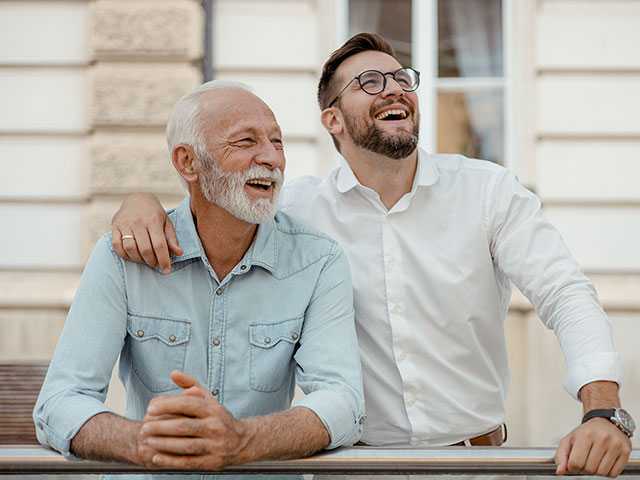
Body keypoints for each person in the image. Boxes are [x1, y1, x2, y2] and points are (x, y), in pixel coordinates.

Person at [111, 34, 634, 477]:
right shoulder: (294, 210)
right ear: (333, 121)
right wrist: (138, 203)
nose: (396, 90)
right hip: (351, 467)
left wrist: (603, 410)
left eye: (403, 78)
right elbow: (209, 207)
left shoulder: (488, 190)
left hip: (476, 464)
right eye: (371, 82)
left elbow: (565, 293)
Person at [33, 81, 365, 474]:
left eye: (277, 142)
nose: (271, 158)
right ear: (187, 162)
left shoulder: (318, 261)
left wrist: (241, 441)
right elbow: (60, 400)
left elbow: (343, 402)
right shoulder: (122, 257)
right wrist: (143, 443)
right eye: (245, 141)